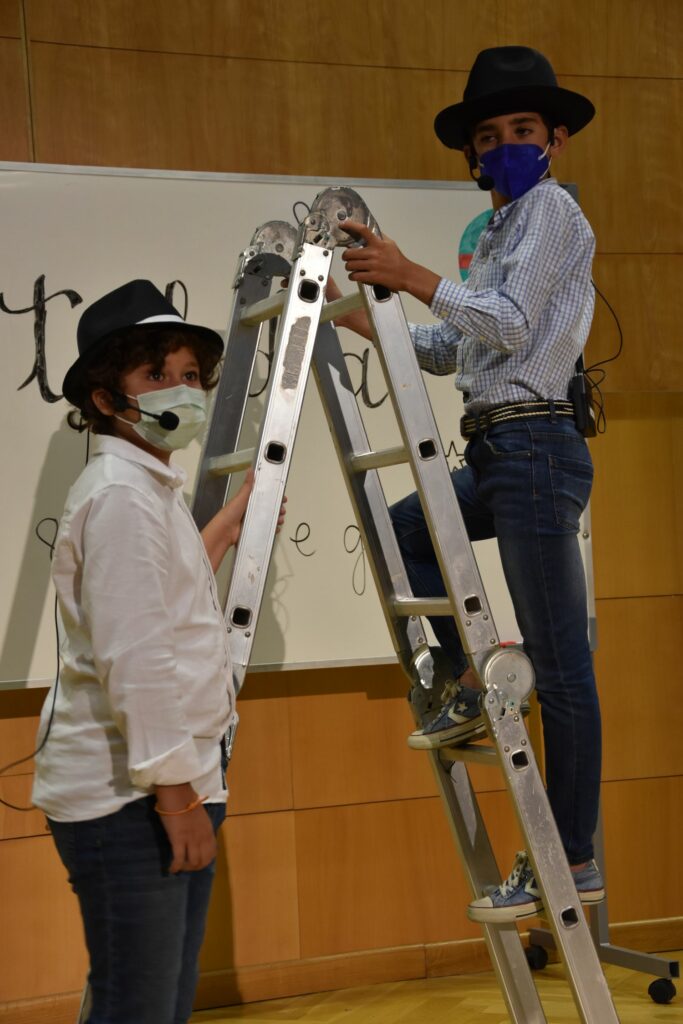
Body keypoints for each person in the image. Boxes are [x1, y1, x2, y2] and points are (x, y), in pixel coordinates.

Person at [328, 46, 605, 923]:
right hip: (494, 448)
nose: (505, 146)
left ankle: (573, 858)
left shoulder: (553, 211)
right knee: (403, 529)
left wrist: (410, 276)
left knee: (561, 670)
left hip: (534, 445)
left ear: (554, 139)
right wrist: (365, 318)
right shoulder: (492, 236)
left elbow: (516, 328)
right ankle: (463, 683)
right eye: (488, 136)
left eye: (522, 130)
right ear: (472, 155)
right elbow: (457, 349)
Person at [32, 279, 284, 1023]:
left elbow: (160, 604)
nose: (183, 391)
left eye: (187, 376)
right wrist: (177, 797)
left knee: (160, 1003)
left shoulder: (146, 490)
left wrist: (224, 529)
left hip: (163, 787)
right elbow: (135, 662)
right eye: (155, 376)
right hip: (132, 800)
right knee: (138, 1007)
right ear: (106, 400)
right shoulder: (119, 497)